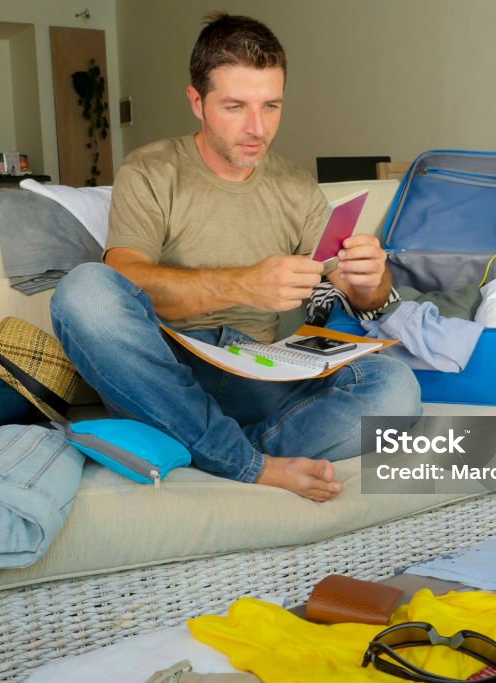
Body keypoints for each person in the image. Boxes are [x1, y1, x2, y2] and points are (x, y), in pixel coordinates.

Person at [51, 12, 421, 501]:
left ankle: (207, 445)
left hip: (254, 371)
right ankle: (244, 462)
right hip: (168, 365)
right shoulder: (152, 169)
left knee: (395, 387)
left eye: (271, 106)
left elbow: (362, 295)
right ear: (197, 102)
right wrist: (242, 284)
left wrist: (370, 276)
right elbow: (124, 277)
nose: (257, 128)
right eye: (234, 106)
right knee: (84, 291)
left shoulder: (295, 187)